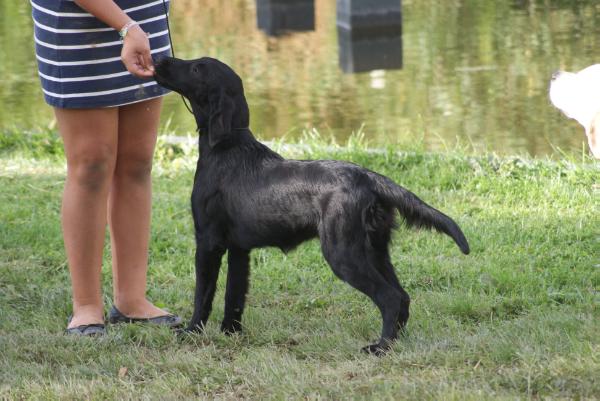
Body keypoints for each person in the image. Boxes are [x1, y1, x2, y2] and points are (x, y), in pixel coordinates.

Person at [31, 0, 182, 335]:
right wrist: (126, 27)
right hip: (78, 25)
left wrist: (135, 26)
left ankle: (131, 299)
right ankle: (86, 306)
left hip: (143, 19)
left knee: (137, 162)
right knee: (91, 165)